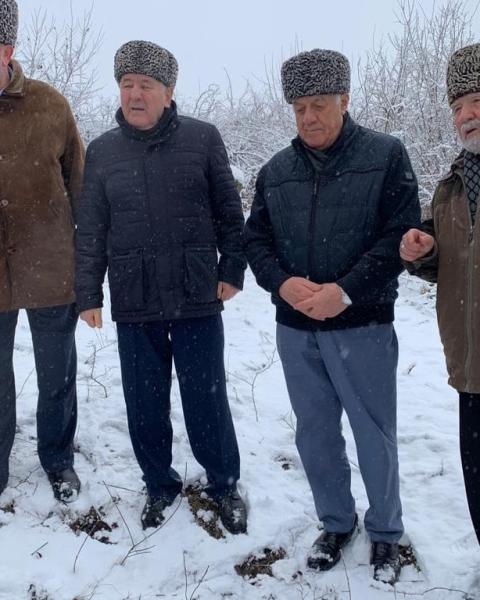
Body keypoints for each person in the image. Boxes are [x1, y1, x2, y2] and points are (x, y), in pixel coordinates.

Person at [245, 49, 420, 583]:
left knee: (374, 433)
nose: (308, 118)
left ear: (344, 99)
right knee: (315, 433)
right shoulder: (276, 171)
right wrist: (282, 282)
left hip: (363, 326)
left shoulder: (385, 155)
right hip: (297, 329)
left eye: (319, 105)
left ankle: (386, 531)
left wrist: (344, 292)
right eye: (299, 108)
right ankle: (337, 522)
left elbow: (399, 235)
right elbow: (256, 241)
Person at [75, 40, 247, 533]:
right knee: (144, 402)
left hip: (197, 293)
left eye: (146, 85)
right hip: (135, 296)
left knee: (206, 399)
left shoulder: (202, 138)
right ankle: (158, 484)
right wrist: (88, 293)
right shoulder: (103, 151)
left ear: (168, 92)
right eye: (127, 84)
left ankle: (224, 484)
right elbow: (92, 228)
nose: (135, 94)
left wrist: (232, 270)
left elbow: (229, 212)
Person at [0, 0, 84, 503]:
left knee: (57, 373)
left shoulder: (50, 105)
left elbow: (80, 182)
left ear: (7, 49)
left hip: (51, 267)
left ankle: (58, 459)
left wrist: (87, 260)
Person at [400, 42, 480, 547]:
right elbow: (455, 263)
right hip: (470, 368)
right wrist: (424, 250)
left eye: (477, 101)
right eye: (457, 106)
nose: (466, 115)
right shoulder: (451, 186)